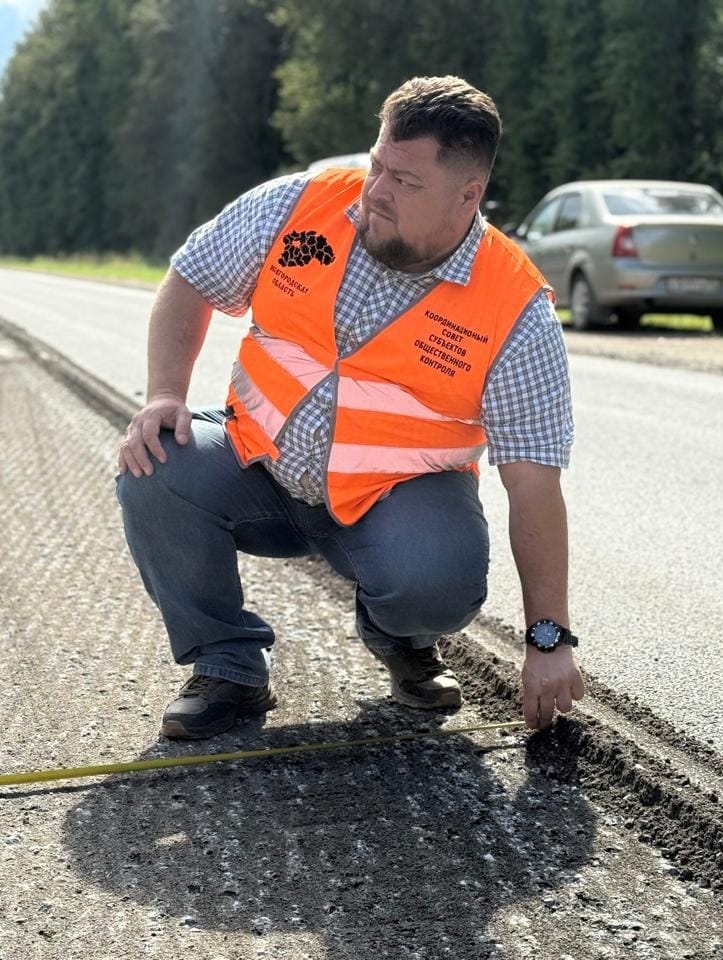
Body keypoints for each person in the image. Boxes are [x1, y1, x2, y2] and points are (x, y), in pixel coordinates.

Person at [117, 76, 584, 740]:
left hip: (394, 505)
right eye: (377, 165)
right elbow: (192, 276)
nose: (377, 191)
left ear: (468, 194)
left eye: (406, 181)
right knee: (153, 463)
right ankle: (227, 666)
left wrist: (547, 639)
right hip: (258, 465)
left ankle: (401, 637)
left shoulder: (514, 309)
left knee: (439, 576)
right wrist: (164, 394)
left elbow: (534, 482)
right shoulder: (302, 204)